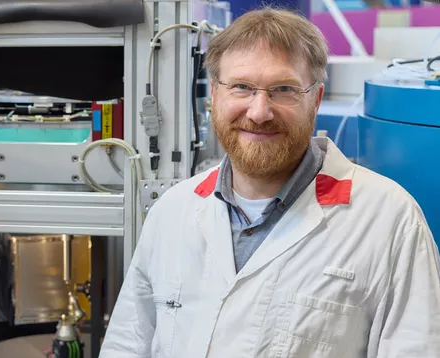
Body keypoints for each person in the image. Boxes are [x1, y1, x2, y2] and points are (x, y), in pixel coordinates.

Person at [99, 7, 440, 358]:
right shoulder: (172, 211)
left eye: (284, 89)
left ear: (317, 100)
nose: (260, 112)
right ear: (215, 95)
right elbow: (127, 345)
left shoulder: (388, 220)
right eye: (242, 87)